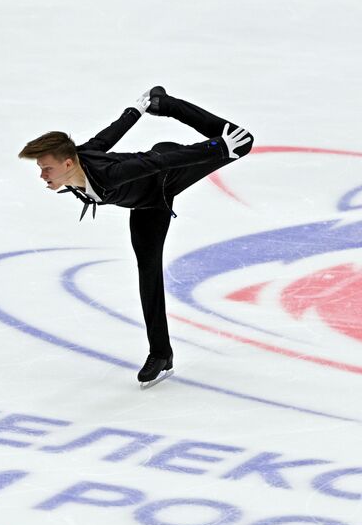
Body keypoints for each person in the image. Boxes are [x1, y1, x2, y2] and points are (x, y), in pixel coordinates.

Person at [18, 87, 254, 386]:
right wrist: (135, 112)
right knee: (148, 269)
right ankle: (161, 354)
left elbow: (157, 164)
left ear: (67, 164)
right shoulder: (82, 157)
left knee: (241, 142)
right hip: (147, 204)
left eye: (46, 169)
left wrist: (218, 149)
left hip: (167, 172)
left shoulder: (108, 175)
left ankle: (171, 105)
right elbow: (107, 137)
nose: (43, 176)